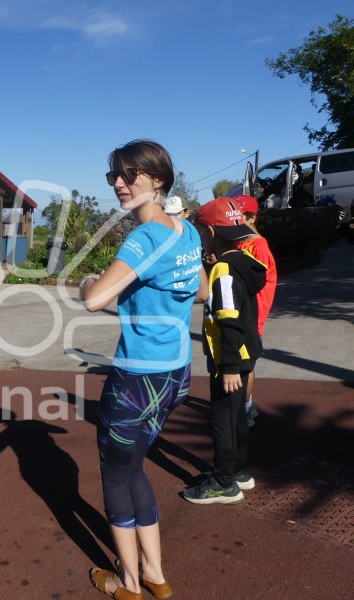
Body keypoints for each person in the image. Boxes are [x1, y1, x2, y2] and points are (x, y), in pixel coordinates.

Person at [82, 140, 207, 600]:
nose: (119, 183)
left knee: (116, 475)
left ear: (158, 181)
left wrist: (86, 283)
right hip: (176, 374)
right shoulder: (187, 232)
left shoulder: (144, 237)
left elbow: (96, 300)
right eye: (114, 174)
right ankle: (155, 573)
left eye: (130, 175)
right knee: (135, 469)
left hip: (138, 378)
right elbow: (201, 291)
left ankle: (129, 582)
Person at [183, 198, 266, 506]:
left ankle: (223, 481)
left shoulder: (223, 270)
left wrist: (228, 365)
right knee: (237, 416)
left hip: (230, 357)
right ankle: (239, 470)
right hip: (246, 352)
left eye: (202, 232)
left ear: (210, 231)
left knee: (222, 417)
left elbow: (228, 317)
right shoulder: (243, 262)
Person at [233, 195, 277, 427]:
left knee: (245, 365)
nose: (235, 219)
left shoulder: (258, 245)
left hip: (253, 315)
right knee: (241, 364)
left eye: (239, 215)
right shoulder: (239, 242)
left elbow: (259, 281)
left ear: (251, 217)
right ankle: (247, 404)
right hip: (242, 313)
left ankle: (246, 408)